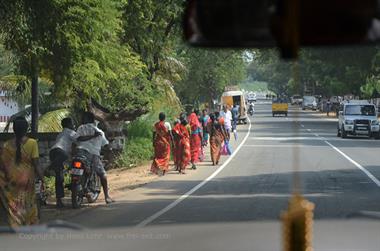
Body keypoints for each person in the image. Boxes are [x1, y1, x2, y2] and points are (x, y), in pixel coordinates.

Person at [0, 117, 43, 227]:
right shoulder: (32, 143)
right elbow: (36, 164)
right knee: (28, 203)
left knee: (14, 205)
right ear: (26, 129)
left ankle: (16, 225)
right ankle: (29, 225)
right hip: (27, 181)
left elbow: (3, 166)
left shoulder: (6, 145)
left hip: (11, 181)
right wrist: (42, 178)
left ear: (13, 129)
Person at [49, 118, 99, 208]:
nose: (73, 125)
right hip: (61, 153)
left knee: (59, 176)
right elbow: (80, 138)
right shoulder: (69, 131)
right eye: (72, 123)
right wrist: (93, 136)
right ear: (68, 124)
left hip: (53, 152)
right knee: (62, 171)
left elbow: (74, 145)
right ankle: (49, 168)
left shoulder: (61, 134)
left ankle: (59, 201)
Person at [76, 112, 114, 204]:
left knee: (81, 169)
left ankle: (84, 188)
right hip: (93, 155)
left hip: (80, 152)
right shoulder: (99, 132)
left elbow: (77, 139)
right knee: (102, 174)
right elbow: (106, 145)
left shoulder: (80, 128)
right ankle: (107, 197)